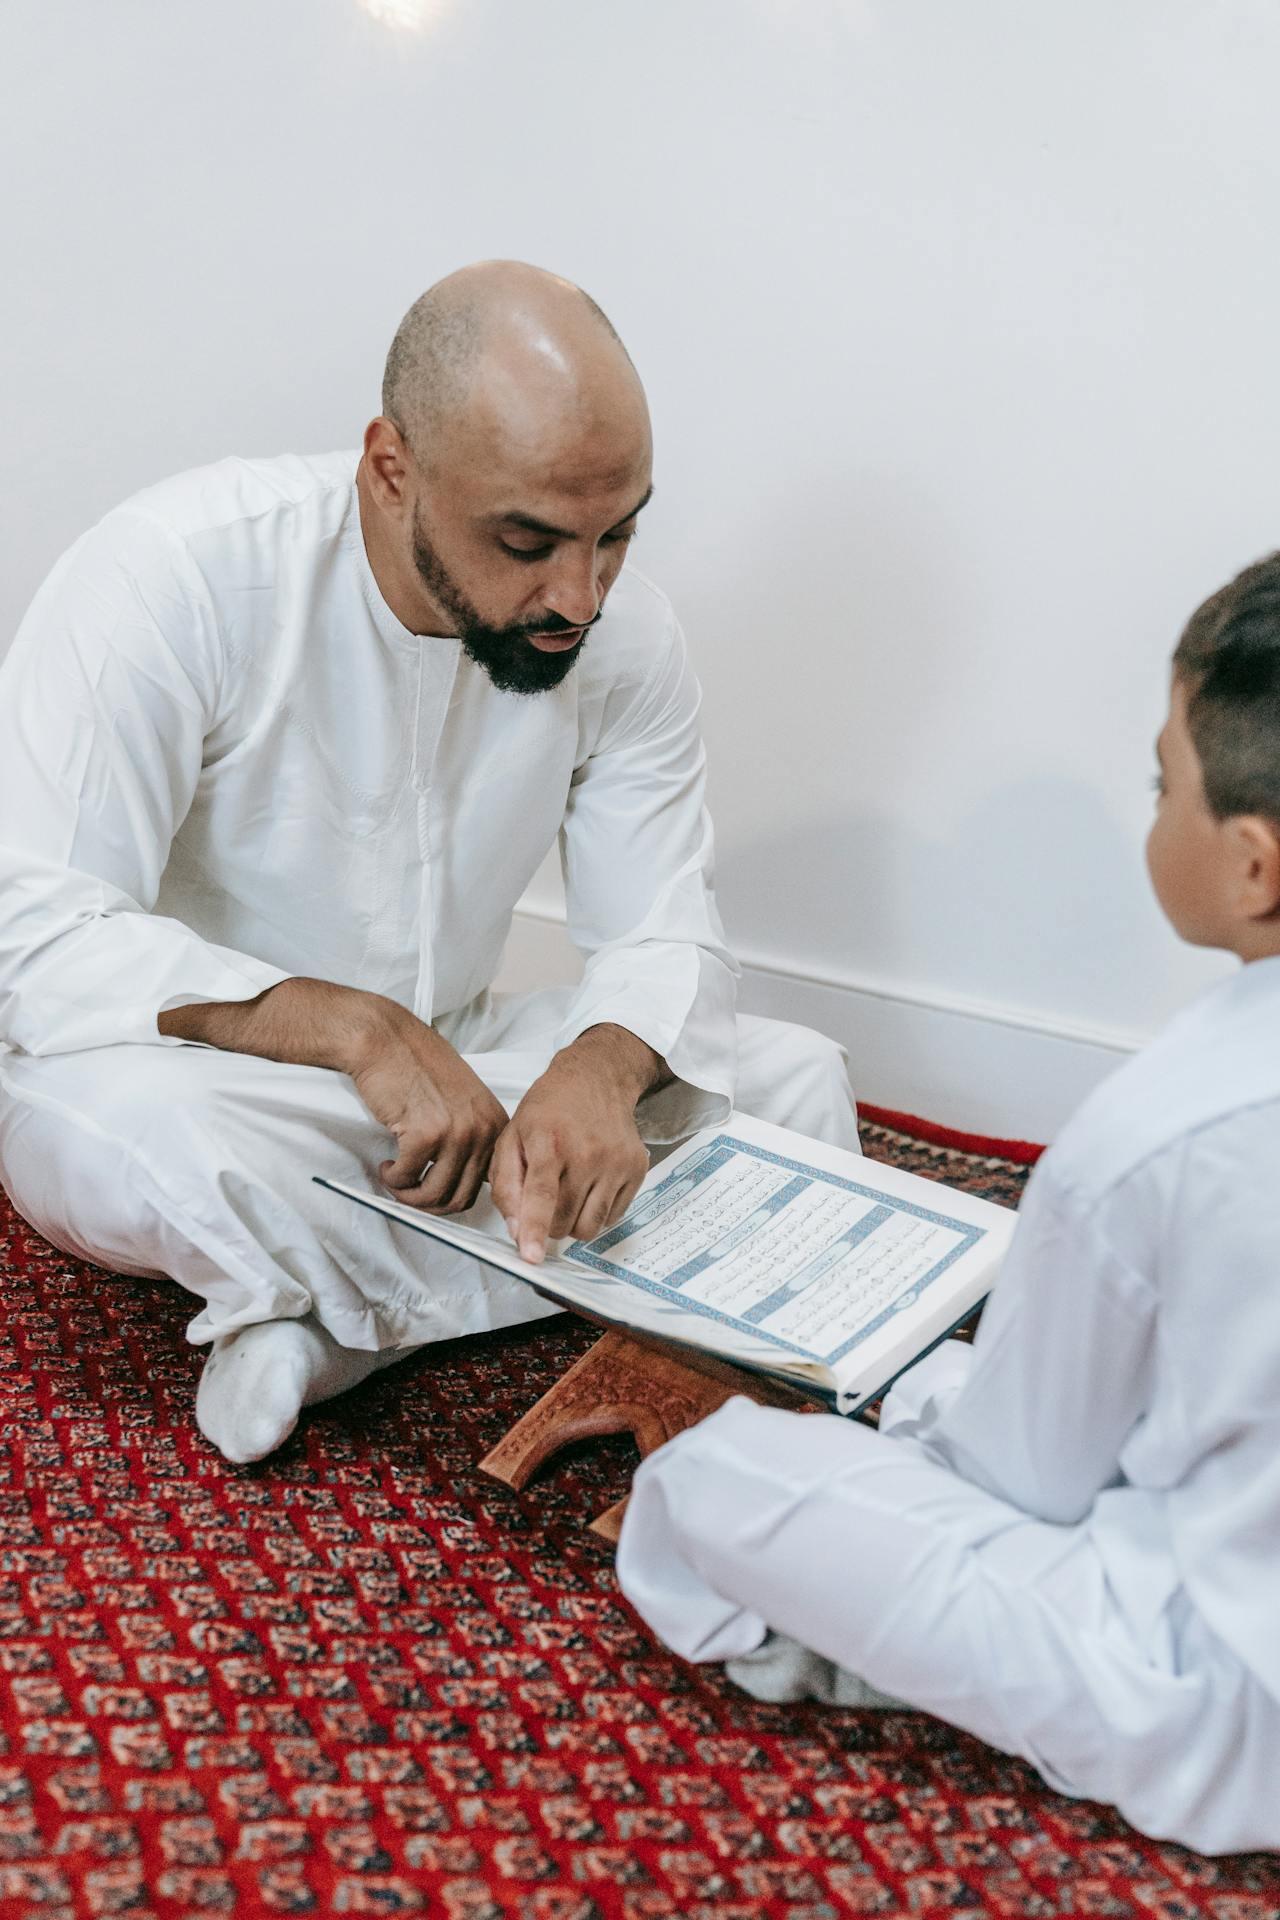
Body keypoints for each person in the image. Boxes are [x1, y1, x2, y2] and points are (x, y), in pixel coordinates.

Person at [0, 261, 858, 1466]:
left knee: (795, 1080)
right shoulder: (175, 573)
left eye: (617, 534)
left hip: (467, 1069)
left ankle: (331, 1329)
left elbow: (659, 927)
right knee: (132, 1129)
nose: (581, 595)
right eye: (529, 541)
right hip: (222, 1078)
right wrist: (347, 1029)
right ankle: (530, 1276)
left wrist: (600, 1071)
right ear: (390, 466)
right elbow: (35, 937)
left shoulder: (627, 634)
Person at [617, 554, 1280, 1857]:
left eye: (1165, 785)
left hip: (1221, 1694)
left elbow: (1024, 1478)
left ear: (1254, 866)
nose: (1151, 811)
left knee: (713, 1479)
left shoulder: (1156, 1138)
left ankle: (856, 1652)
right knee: (956, 1388)